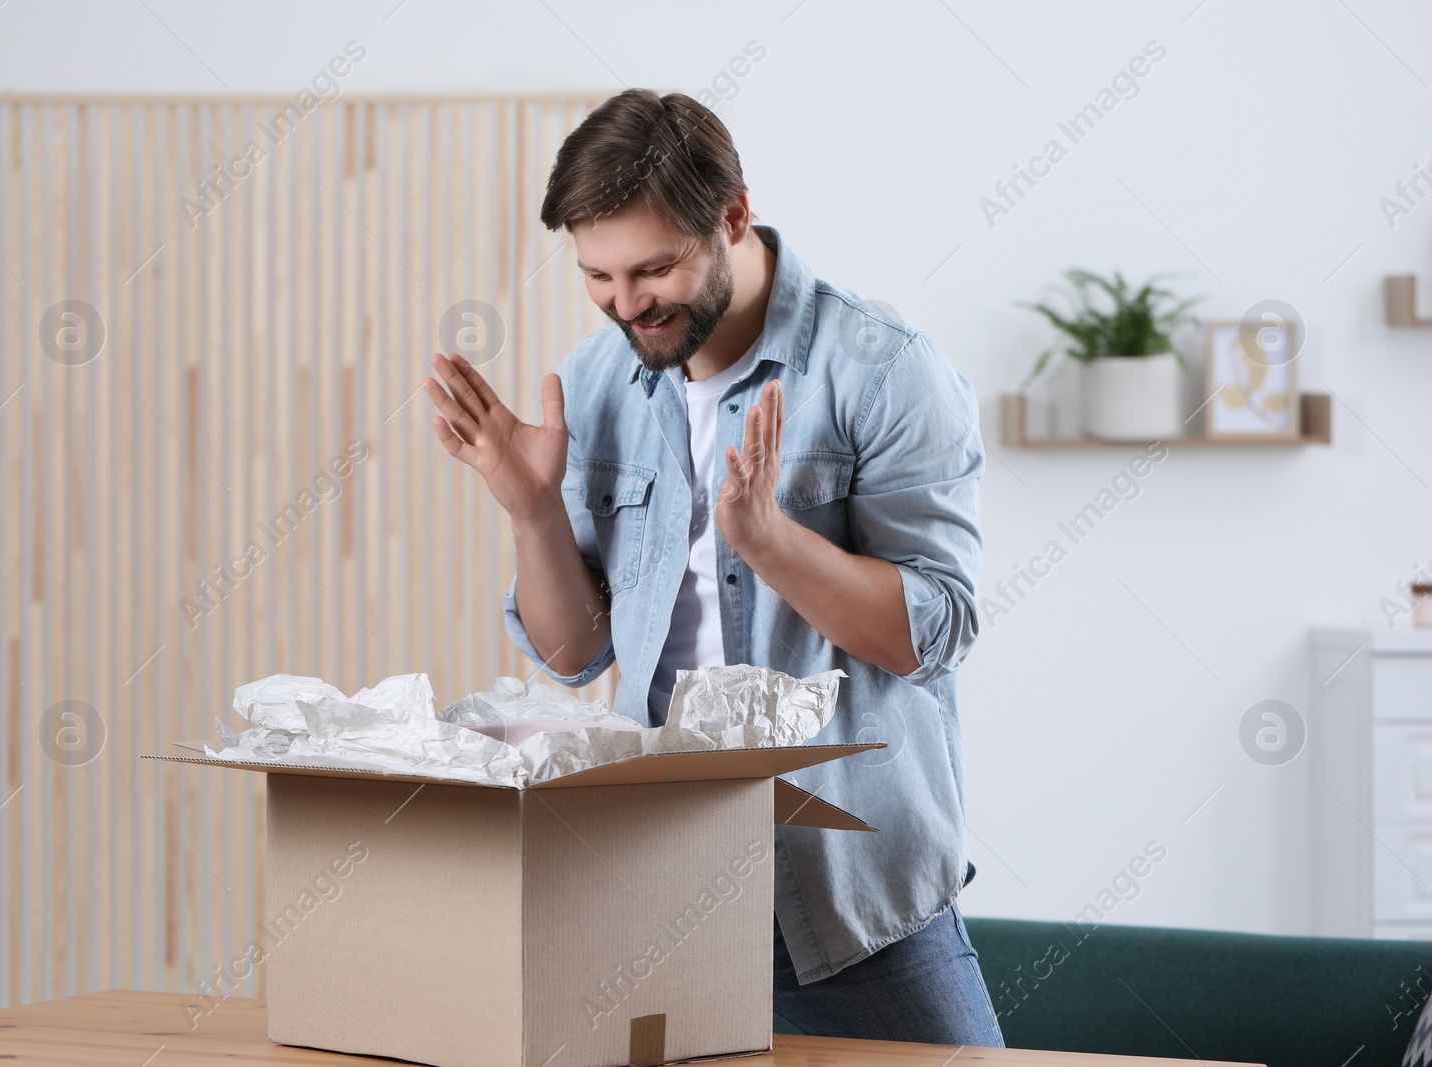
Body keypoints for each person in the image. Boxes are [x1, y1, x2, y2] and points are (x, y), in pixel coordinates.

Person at [424, 88, 1001, 1047]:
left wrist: (772, 543)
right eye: (597, 276)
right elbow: (575, 654)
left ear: (733, 215)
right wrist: (529, 507)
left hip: (849, 893)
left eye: (654, 268)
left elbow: (931, 634)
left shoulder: (883, 370)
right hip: (655, 885)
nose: (626, 303)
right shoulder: (604, 377)